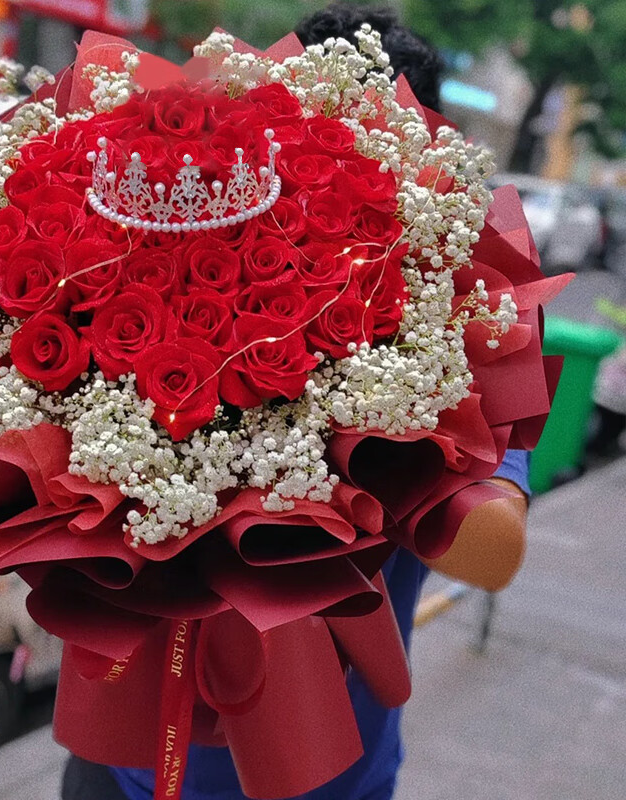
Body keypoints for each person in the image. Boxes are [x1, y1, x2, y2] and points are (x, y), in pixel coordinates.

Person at [62, 5, 530, 799]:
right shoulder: (167, 260)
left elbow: (496, 554)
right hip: (128, 764)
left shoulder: (457, 326)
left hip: (333, 776)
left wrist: (345, 420)